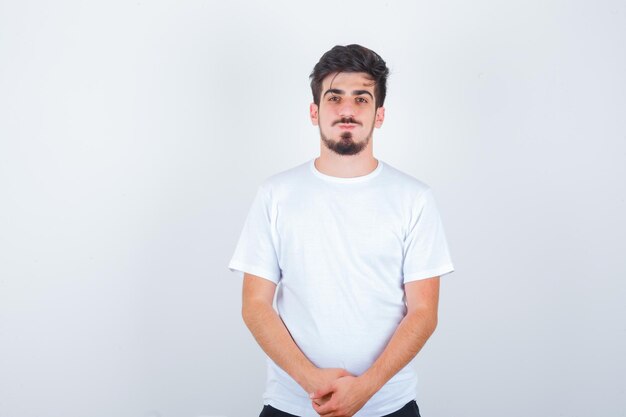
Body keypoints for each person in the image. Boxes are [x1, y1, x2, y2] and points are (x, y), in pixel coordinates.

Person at [228, 44, 455, 417]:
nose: (347, 110)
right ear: (314, 111)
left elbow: (424, 312)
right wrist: (312, 381)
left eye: (361, 99)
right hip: (292, 404)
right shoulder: (276, 194)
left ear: (379, 115)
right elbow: (255, 305)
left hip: (387, 404)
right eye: (335, 98)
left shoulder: (414, 198)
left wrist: (364, 389)